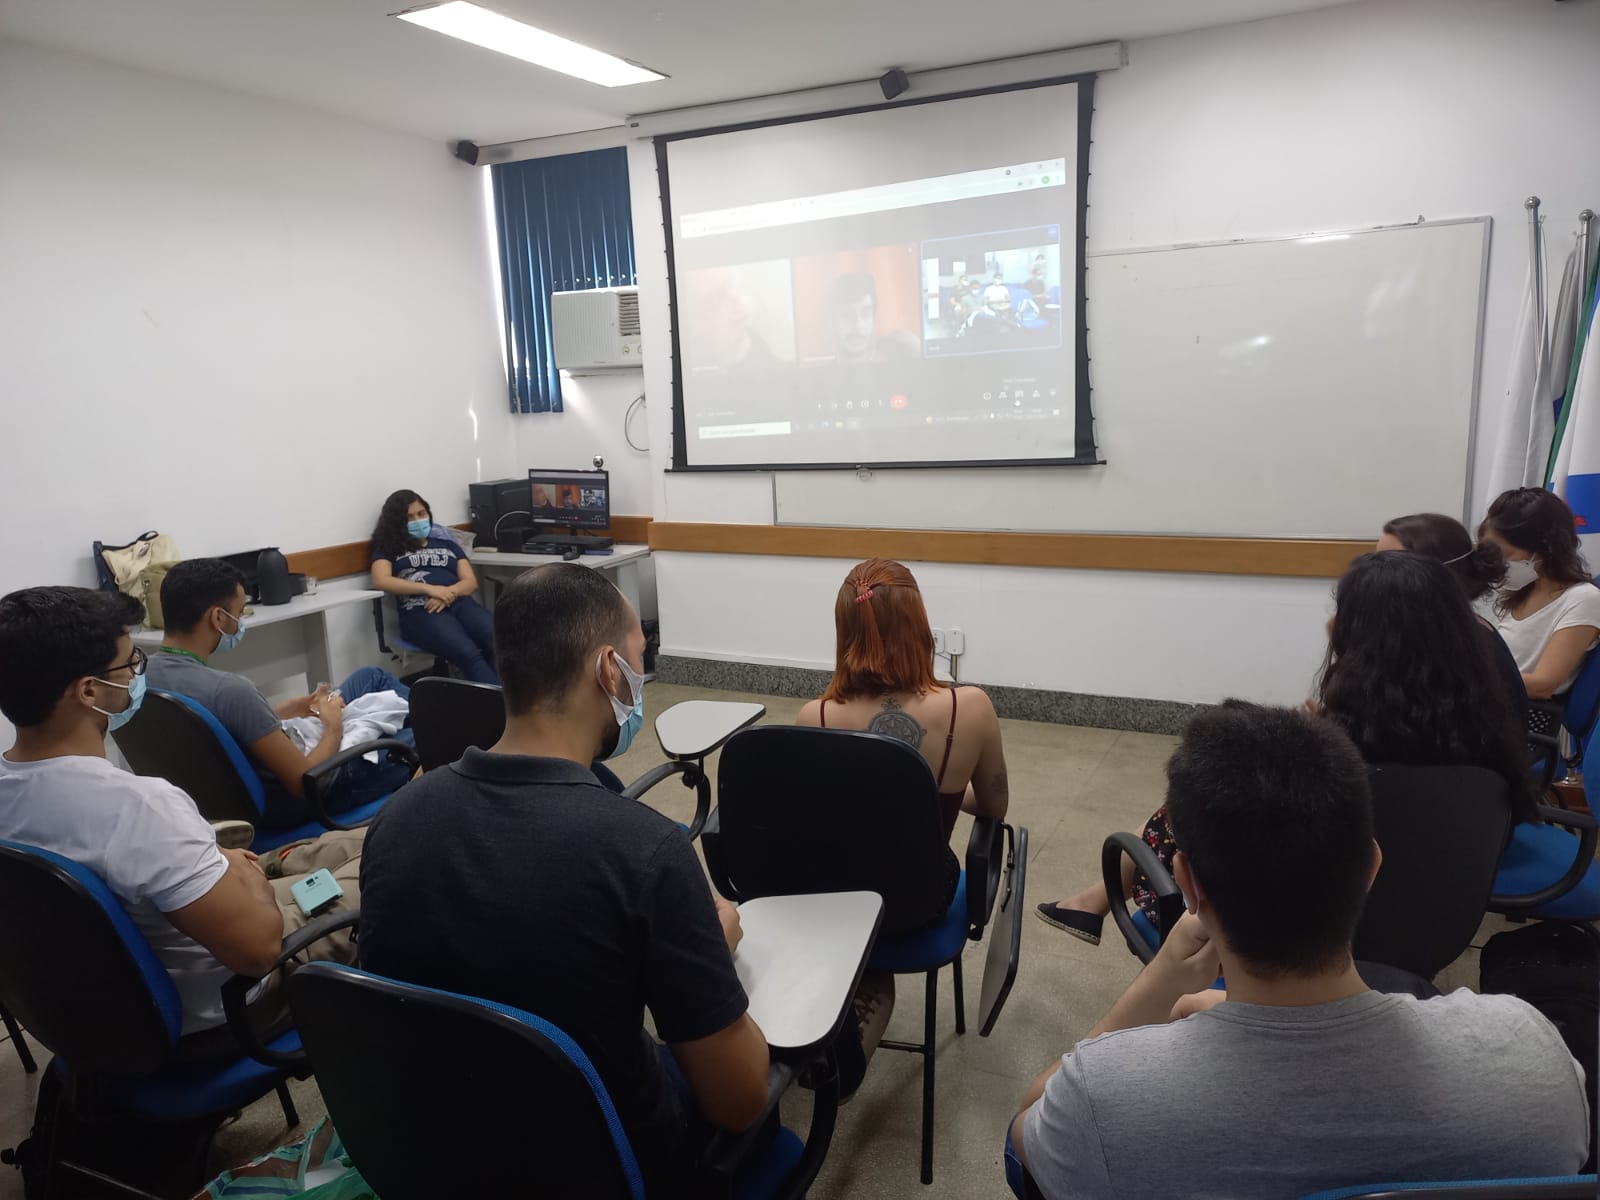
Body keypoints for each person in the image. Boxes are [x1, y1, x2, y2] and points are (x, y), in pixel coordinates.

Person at [1009, 701, 1589, 1200]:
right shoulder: (1536, 1060)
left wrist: (1158, 984)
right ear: (1371, 866)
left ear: (1188, 886)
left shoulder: (1103, 1102)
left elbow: (1026, 1138)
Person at [357, 564, 768, 1195]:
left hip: (437, 1150)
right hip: (606, 1168)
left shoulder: (397, 820)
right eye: (638, 659)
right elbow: (737, 1101)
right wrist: (711, 951)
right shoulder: (645, 850)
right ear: (609, 671)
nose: (640, 679)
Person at [1038, 547, 1536, 943]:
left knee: (1201, 789)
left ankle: (1094, 899)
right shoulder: (1483, 731)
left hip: (1295, 934)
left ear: (1360, 638)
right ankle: (1091, 901)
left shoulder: (1342, 769)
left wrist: (1311, 736)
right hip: (1428, 928)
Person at [0, 587, 363, 1056]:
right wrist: (247, 880)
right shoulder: (140, 807)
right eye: (130, 664)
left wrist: (219, 865)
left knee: (358, 843)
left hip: (109, 1009)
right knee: (394, 862)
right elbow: (260, 951)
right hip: (237, 1005)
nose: (137, 675)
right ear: (89, 691)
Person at [146, 559, 415, 826]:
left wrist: (277, 713)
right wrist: (333, 726)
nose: (240, 622)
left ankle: (415, 714)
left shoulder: (142, 677)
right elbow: (307, 782)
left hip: (216, 798)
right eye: (239, 613)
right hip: (305, 797)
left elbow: (216, 730)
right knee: (424, 734)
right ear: (218, 618)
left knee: (372, 677)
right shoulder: (230, 691)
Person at [1479, 486, 1600, 699]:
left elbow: (1543, 685)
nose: (1498, 563)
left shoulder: (1583, 599)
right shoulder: (1521, 589)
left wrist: (1468, 678)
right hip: (1488, 699)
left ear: (1547, 548)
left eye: (1506, 554)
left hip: (1520, 710)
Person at [369, 489, 497, 685]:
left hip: (458, 602)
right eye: (409, 517)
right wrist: (431, 589)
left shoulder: (448, 544)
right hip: (420, 610)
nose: (417, 520)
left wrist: (448, 593)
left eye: (421, 514)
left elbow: (470, 582)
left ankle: (510, 698)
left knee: (500, 642)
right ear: (397, 522)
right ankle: (498, 702)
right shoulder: (388, 548)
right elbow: (381, 580)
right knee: (466, 652)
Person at [825, 271, 917, 362]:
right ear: (831, 322)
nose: (858, 326)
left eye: (866, 314)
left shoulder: (905, 349)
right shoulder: (823, 369)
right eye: (847, 316)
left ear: (874, 318)